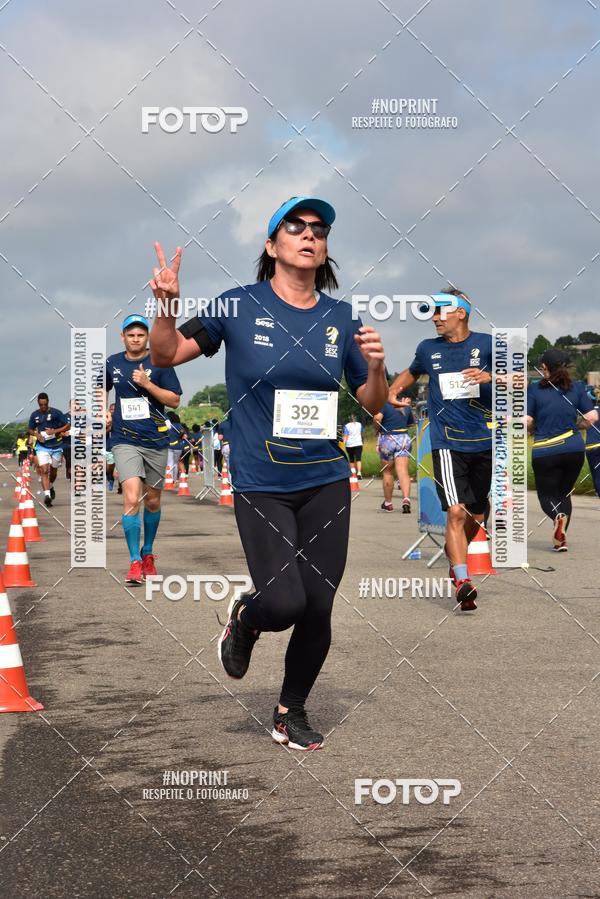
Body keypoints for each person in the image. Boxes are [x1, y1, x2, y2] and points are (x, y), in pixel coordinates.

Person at [149, 195, 387, 750]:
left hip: (326, 476)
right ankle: (247, 620)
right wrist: (164, 306)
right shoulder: (237, 306)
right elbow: (166, 355)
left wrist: (376, 366)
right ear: (271, 244)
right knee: (284, 603)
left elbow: (373, 403)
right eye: (296, 227)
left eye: (319, 229)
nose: (309, 235)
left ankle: (290, 710)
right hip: (261, 479)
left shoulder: (340, 318)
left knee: (320, 604)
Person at [388, 288, 493, 611]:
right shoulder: (427, 348)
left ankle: (455, 551)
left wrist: (489, 376)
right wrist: (393, 389)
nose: (434, 318)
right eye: (431, 313)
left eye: (440, 312)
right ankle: (462, 580)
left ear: (460, 312)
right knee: (456, 511)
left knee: (477, 514)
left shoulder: (488, 344)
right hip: (447, 441)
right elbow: (412, 371)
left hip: (483, 440)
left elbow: (518, 379)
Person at [106, 314, 182, 584]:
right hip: (124, 440)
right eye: (131, 335)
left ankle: (147, 552)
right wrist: (103, 410)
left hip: (155, 441)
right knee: (131, 497)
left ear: (147, 337)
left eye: (140, 335)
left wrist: (148, 384)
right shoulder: (112, 362)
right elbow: (99, 389)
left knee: (152, 500)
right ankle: (134, 562)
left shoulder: (160, 362)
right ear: (122, 337)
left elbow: (174, 400)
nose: (135, 339)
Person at [527, 348, 597, 550]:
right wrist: (576, 427)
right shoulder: (576, 387)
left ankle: (557, 518)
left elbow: (528, 420)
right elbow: (592, 417)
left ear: (545, 368)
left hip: (546, 450)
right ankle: (560, 540)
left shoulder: (535, 389)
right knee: (565, 493)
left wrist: (532, 428)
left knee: (546, 495)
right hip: (573, 447)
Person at [27, 393, 69, 507]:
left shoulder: (56, 413)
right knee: (44, 470)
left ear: (48, 402)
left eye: (45, 404)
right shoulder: (34, 415)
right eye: (41, 405)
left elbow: (68, 425)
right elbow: (30, 429)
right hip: (42, 446)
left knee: (53, 471)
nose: (43, 407)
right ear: (38, 404)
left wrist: (54, 431)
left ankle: (50, 486)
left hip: (57, 446)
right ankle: (47, 496)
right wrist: (37, 434)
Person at [374, 398, 414, 512]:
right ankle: (406, 499)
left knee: (387, 472)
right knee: (403, 471)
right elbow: (410, 424)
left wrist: (376, 430)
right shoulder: (405, 405)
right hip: (403, 438)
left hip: (388, 438)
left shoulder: (383, 403)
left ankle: (388, 503)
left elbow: (377, 418)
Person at [342, 414, 364, 479]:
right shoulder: (359, 424)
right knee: (358, 459)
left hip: (349, 445)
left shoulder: (347, 426)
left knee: (351, 459)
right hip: (358, 444)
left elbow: (346, 436)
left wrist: (343, 443)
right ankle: (359, 473)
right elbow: (361, 433)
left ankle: (353, 474)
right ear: (355, 418)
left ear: (349, 419)